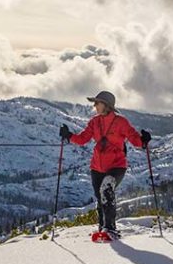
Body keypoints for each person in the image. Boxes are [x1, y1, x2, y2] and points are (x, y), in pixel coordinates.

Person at [58, 91, 151, 238]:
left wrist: (143, 141)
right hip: (96, 167)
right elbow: (82, 139)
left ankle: (110, 228)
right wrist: (68, 135)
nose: (95, 105)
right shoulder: (94, 122)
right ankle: (102, 228)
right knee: (100, 198)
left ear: (106, 105)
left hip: (117, 166)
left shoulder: (121, 122)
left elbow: (134, 139)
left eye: (97, 103)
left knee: (106, 189)